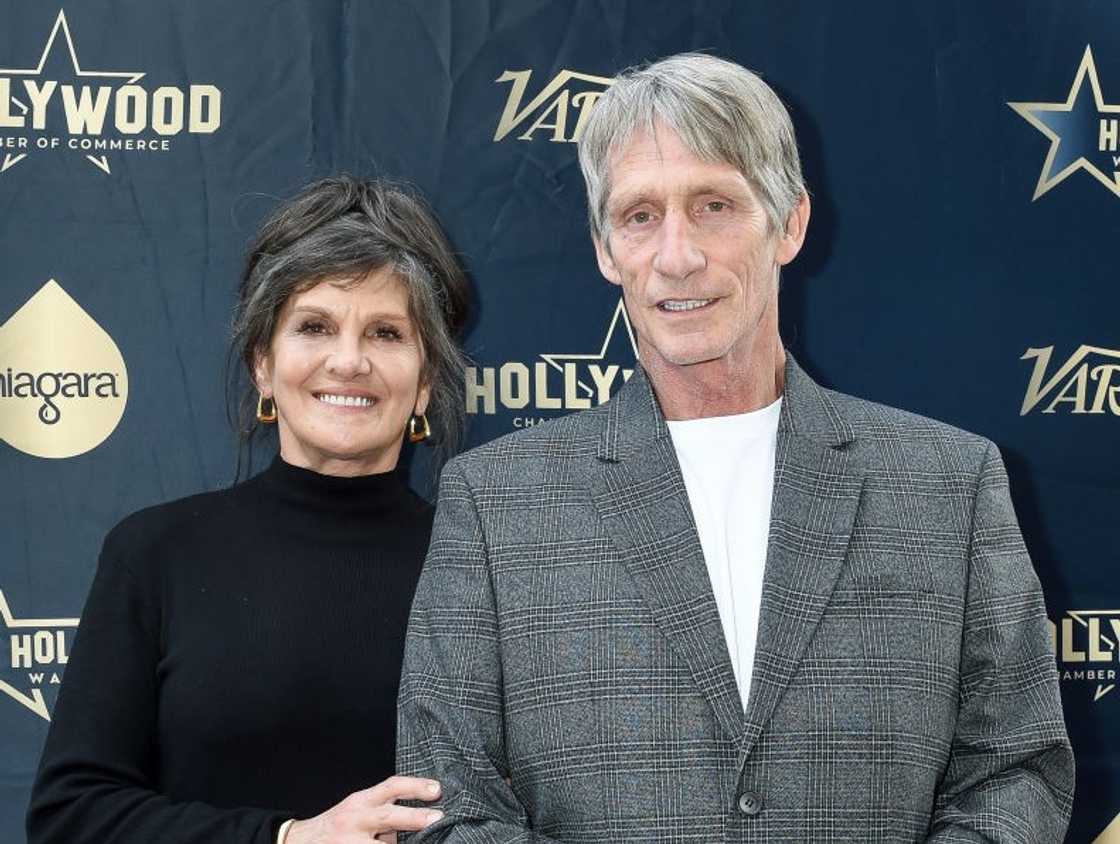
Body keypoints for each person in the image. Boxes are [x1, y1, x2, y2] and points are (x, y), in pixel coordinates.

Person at [397, 54, 1074, 841]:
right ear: (606, 249)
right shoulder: (496, 502)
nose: (677, 255)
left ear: (790, 223)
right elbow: (447, 807)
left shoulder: (948, 484)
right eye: (639, 215)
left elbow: (1016, 771)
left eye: (713, 205)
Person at [27, 175, 470, 844]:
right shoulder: (155, 553)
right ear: (263, 363)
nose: (348, 361)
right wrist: (286, 838)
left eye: (385, 333)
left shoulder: (478, 567)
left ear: (426, 380)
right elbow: (69, 815)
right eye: (314, 327)